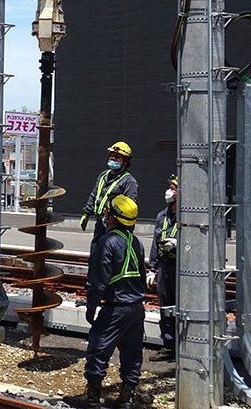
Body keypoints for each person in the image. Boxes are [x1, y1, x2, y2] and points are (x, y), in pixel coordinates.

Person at [83, 194, 146, 409]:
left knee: (98, 349)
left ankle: (92, 398)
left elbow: (98, 281)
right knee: (131, 352)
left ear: (113, 218)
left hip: (116, 308)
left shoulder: (108, 242)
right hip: (137, 309)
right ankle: (126, 398)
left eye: (107, 212)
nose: (105, 215)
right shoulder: (136, 242)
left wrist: (91, 308)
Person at [80, 142, 139, 252]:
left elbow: (130, 208)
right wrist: (86, 213)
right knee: (96, 254)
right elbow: (94, 195)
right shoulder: (103, 176)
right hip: (101, 224)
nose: (113, 159)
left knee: (110, 257)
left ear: (125, 161)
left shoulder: (129, 182)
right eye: (111, 156)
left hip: (116, 227)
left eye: (117, 157)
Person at [147, 174, 178, 362]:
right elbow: (155, 243)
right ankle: (168, 345)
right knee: (165, 306)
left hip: (181, 269)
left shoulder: (188, 216)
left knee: (181, 307)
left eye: (174, 188)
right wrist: (152, 268)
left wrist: (178, 243)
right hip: (166, 267)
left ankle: (183, 347)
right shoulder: (162, 216)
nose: (170, 192)